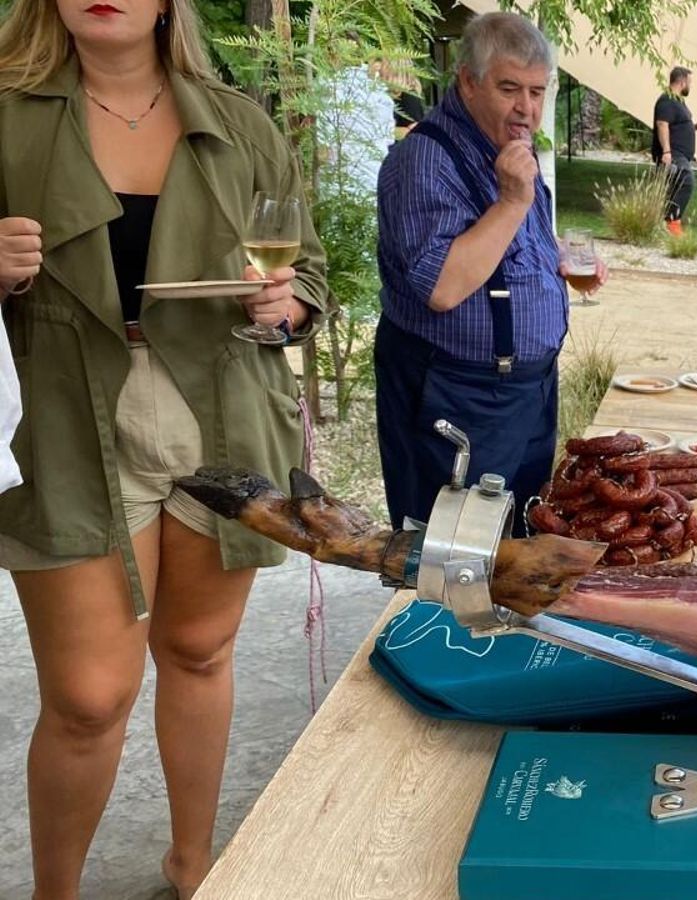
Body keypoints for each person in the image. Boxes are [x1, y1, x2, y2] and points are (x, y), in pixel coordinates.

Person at [0, 0, 327, 892]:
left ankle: (192, 864)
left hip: (223, 410)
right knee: (88, 697)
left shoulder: (239, 123)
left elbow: (307, 270)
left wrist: (287, 301)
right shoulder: (9, 112)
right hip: (68, 421)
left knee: (198, 651)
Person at [375, 12, 605, 537]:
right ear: (469, 82)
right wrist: (512, 200)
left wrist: (560, 270)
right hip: (459, 397)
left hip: (525, 392)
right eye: (510, 89)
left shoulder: (506, 152)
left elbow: (510, 250)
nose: (526, 108)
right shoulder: (423, 162)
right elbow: (443, 286)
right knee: (456, 558)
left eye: (537, 92)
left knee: (516, 548)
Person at [651, 66, 697, 236]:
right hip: (673, 153)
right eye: (689, 82)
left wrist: (695, 126)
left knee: (673, 188)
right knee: (687, 181)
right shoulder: (666, 100)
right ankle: (673, 222)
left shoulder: (678, 101)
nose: (690, 86)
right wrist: (667, 152)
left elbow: (678, 125)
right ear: (682, 82)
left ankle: (666, 225)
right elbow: (662, 124)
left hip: (681, 154)